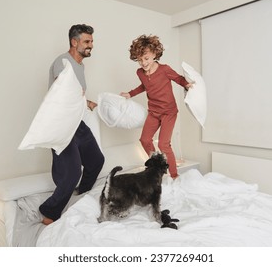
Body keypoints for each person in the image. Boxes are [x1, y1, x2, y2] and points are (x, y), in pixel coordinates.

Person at [39, 24, 105, 225]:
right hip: (60, 124)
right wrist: (81, 100)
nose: (91, 45)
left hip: (77, 122)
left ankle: (80, 195)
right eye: (87, 41)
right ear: (74, 42)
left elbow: (75, 95)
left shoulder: (80, 65)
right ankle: (49, 212)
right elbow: (63, 91)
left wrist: (88, 102)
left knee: (96, 160)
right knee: (72, 172)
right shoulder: (63, 61)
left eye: (92, 41)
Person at [120, 34, 192, 179]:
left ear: (154, 54)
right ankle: (157, 165)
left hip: (169, 112)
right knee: (145, 140)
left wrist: (187, 84)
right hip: (153, 112)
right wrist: (130, 94)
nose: (143, 63)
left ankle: (174, 176)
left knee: (164, 144)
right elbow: (144, 86)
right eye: (140, 60)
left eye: (146, 59)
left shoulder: (164, 69)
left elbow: (178, 78)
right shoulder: (140, 72)